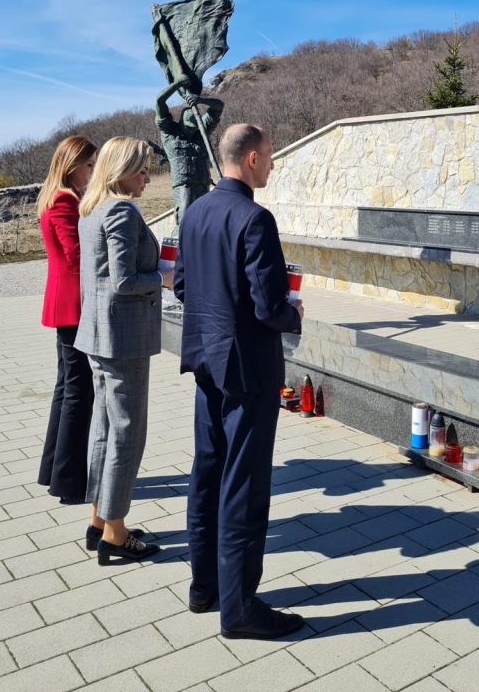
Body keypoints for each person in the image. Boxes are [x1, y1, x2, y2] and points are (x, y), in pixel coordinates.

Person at [175, 123, 305, 639]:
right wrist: (293, 312)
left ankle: (204, 586)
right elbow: (268, 306)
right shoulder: (255, 218)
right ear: (251, 158)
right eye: (269, 156)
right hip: (247, 368)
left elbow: (181, 285)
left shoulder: (195, 212)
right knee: (244, 484)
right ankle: (241, 609)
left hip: (205, 359)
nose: (272, 165)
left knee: (207, 472)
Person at [75, 137, 173, 564]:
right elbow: (125, 281)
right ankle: (116, 533)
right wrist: (164, 278)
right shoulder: (120, 210)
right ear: (121, 171)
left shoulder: (92, 207)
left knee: (104, 429)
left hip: (100, 336)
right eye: (142, 171)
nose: (147, 178)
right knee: (127, 434)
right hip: (122, 340)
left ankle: (99, 521)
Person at [37, 136, 98, 510]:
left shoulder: (59, 196)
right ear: (72, 164)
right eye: (88, 165)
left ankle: (55, 471)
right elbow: (77, 256)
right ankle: (70, 481)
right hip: (73, 305)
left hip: (66, 303)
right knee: (78, 389)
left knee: (67, 387)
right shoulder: (64, 200)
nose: (92, 171)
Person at [154, 80, 224, 227]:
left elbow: (219, 106)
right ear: (181, 122)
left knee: (205, 221)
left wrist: (200, 100)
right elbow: (160, 101)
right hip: (184, 186)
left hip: (203, 184)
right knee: (185, 219)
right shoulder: (169, 133)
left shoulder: (201, 132)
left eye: (194, 127)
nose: (192, 130)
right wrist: (177, 83)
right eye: (189, 127)